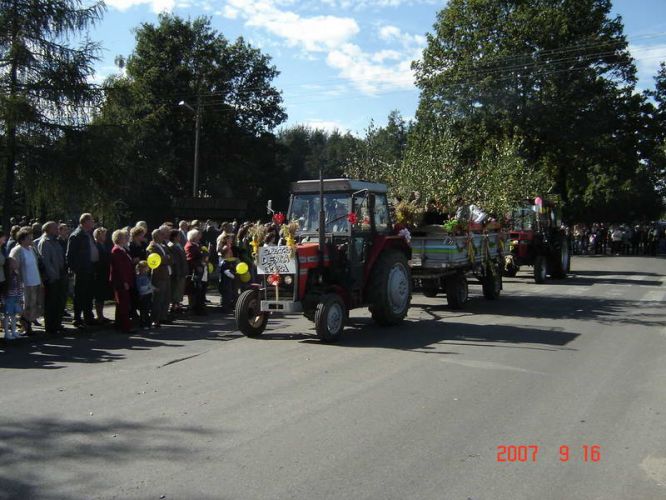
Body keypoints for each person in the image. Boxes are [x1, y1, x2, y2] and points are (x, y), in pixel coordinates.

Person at [9, 227, 44, 335]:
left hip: (35, 280)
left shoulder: (32, 249)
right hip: (25, 282)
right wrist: (19, 281)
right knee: (25, 305)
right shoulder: (17, 250)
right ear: (22, 239)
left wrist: (40, 280)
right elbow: (14, 266)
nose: (31, 240)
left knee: (33, 304)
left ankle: (28, 324)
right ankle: (25, 325)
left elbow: (35, 265)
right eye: (29, 238)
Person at [66, 213, 97, 328]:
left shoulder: (88, 234)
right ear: (85, 222)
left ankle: (88, 317)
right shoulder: (77, 235)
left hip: (90, 268)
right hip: (82, 270)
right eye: (91, 221)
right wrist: (76, 269)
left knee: (89, 294)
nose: (93, 223)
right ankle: (77, 318)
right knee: (79, 294)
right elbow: (70, 255)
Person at [36, 222, 67, 335]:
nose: (57, 229)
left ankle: (57, 324)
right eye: (55, 227)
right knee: (51, 302)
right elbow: (46, 262)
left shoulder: (56, 241)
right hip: (52, 278)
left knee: (60, 301)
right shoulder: (45, 242)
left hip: (61, 275)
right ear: (48, 229)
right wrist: (53, 276)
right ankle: (50, 326)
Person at [109, 229, 135, 333]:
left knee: (122, 304)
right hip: (120, 281)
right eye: (124, 237)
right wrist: (124, 282)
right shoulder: (116, 250)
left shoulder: (122, 250)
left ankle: (119, 325)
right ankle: (125, 327)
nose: (126, 239)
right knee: (123, 304)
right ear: (119, 239)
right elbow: (120, 269)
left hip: (125, 280)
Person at [146, 228, 171, 327]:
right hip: (159, 276)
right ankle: (155, 319)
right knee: (158, 298)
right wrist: (165, 259)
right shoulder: (152, 247)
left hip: (166, 274)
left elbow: (171, 258)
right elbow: (156, 261)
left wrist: (165, 259)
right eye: (161, 235)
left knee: (166, 297)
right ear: (156, 236)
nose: (163, 236)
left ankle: (163, 317)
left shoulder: (163, 246)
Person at [93, 227, 112, 324]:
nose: (105, 236)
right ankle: (99, 315)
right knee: (99, 295)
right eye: (103, 234)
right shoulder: (95, 245)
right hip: (99, 273)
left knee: (102, 295)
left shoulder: (104, 245)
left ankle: (101, 315)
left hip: (104, 272)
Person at [185, 229, 206, 315]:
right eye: (197, 235)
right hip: (194, 271)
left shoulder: (197, 245)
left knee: (200, 289)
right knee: (194, 290)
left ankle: (199, 307)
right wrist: (197, 266)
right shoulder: (190, 246)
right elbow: (190, 259)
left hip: (200, 270)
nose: (199, 237)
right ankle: (194, 308)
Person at [168, 229, 188, 314]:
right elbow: (176, 262)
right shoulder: (172, 246)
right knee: (176, 289)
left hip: (182, 270)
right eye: (178, 236)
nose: (180, 237)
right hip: (178, 271)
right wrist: (178, 273)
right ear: (174, 237)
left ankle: (178, 305)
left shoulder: (179, 245)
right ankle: (174, 307)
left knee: (180, 289)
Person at [3, 257, 23, 341]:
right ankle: (7, 333)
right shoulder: (6, 276)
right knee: (7, 315)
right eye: (14, 262)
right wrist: (3, 299)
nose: (16, 264)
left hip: (15, 297)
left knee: (14, 315)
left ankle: (14, 331)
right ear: (9, 265)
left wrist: (20, 296)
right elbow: (3, 289)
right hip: (8, 298)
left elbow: (19, 287)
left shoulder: (16, 274)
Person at [135, 261, 154, 330]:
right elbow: (141, 287)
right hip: (144, 295)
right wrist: (150, 288)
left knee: (146, 310)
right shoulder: (139, 277)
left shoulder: (145, 276)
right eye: (145, 268)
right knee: (144, 310)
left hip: (148, 294)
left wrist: (153, 288)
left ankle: (146, 323)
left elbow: (149, 285)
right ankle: (145, 324)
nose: (147, 269)